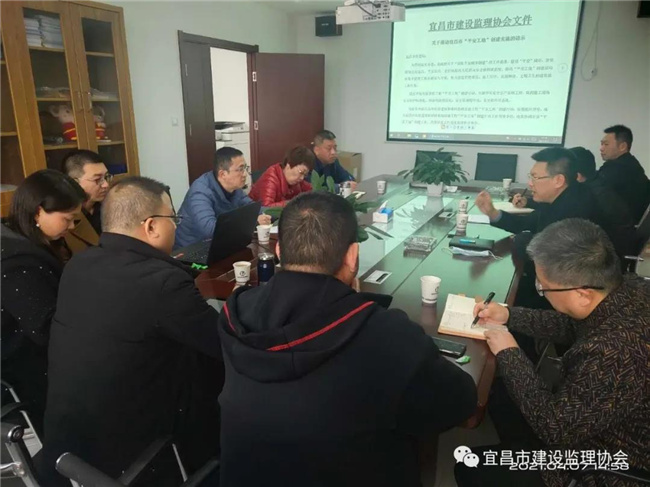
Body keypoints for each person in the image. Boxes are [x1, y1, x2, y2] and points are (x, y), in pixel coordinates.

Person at [217, 191, 477, 487]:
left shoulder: (235, 312)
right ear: (353, 256)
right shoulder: (386, 333)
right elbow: (460, 403)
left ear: (279, 251)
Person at [41, 177, 223, 484]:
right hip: (134, 455)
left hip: (69, 446)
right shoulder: (162, 282)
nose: (175, 227)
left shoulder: (78, 265)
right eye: (173, 219)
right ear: (151, 226)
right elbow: (221, 343)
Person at [455, 219, 650, 487]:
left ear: (583, 294)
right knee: (501, 396)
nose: (542, 290)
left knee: (469, 465)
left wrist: (509, 352)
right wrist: (509, 315)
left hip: (604, 462)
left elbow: (556, 429)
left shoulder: (615, 351)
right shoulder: (625, 287)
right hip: (592, 418)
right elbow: (571, 324)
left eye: (543, 287)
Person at [1, 169, 86, 435]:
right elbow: (45, 329)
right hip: (24, 365)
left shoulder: (24, 238)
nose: (71, 227)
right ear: (38, 212)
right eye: (67, 219)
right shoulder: (17, 262)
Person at [476, 147, 604, 236]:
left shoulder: (575, 210)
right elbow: (525, 224)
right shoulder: (557, 199)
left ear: (558, 180)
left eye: (535, 177)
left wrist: (522, 240)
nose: (530, 183)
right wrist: (493, 213)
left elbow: (548, 253)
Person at [175, 146, 271, 249]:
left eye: (245, 168)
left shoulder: (234, 188)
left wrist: (265, 214)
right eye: (240, 169)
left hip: (219, 243)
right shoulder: (200, 192)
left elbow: (252, 208)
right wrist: (253, 221)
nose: (245, 174)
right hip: (192, 248)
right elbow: (210, 229)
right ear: (222, 174)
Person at [62, 149, 112, 251]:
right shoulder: (64, 218)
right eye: (97, 179)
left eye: (106, 177)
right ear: (74, 182)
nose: (106, 184)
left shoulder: (110, 207)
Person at [598, 125, 650, 221]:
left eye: (606, 144)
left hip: (616, 226)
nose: (601, 148)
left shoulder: (618, 169)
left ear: (622, 146)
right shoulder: (631, 165)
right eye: (601, 144)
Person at [249, 145, 314, 207]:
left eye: (305, 175)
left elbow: (311, 191)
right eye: (301, 172)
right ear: (289, 165)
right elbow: (266, 208)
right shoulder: (270, 179)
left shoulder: (297, 180)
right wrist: (292, 203)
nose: (302, 178)